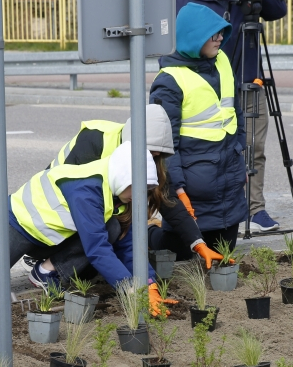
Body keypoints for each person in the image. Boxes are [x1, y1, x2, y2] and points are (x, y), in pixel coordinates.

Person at [0, 141, 173, 315]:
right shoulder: (87, 190)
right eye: (138, 188)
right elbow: (97, 250)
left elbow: (128, 242)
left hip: (50, 236)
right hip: (18, 224)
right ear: (123, 178)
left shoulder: (118, 193)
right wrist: (132, 291)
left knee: (113, 228)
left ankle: (46, 272)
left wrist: (148, 283)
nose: (140, 196)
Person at [32, 104, 230, 286]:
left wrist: (198, 243)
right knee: (110, 233)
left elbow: (168, 201)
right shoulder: (96, 141)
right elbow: (82, 208)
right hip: (50, 220)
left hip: (80, 217)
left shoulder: (151, 153)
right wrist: (129, 285)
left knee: (106, 252)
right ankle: (47, 267)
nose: (152, 158)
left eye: (157, 155)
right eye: (150, 153)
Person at [176, 0, 288, 233]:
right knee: (213, 153)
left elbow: (277, 9)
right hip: (210, 86)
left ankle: (255, 210)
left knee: (255, 148)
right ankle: (213, 211)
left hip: (250, 79)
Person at [149, 3, 248, 258]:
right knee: (181, 253)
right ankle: (147, 234)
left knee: (224, 253)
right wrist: (178, 189)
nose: (220, 39)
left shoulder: (222, 61)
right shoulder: (170, 80)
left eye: (221, 33)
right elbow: (165, 145)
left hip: (228, 180)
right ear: (193, 38)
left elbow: (236, 113)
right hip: (194, 190)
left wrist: (240, 156)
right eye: (212, 34)